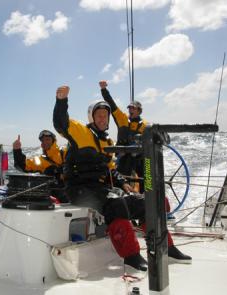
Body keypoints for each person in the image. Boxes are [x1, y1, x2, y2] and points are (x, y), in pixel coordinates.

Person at [53, 85, 190, 271]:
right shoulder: (80, 132)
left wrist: (124, 184)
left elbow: (111, 170)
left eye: (105, 116)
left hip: (100, 189)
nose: (103, 119)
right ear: (91, 117)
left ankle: (166, 248)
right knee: (116, 204)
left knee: (144, 202)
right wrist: (62, 100)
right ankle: (131, 255)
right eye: (99, 115)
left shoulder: (107, 142)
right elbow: (61, 123)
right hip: (79, 189)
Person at [99, 81, 147, 192]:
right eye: (129, 108)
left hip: (139, 158)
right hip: (123, 157)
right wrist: (104, 90)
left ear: (139, 111)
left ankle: (147, 197)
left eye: (133, 108)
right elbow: (111, 104)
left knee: (146, 175)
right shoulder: (122, 119)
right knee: (121, 178)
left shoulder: (145, 125)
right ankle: (123, 196)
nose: (130, 110)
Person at [13, 131, 67, 202]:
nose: (45, 142)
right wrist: (17, 150)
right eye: (43, 140)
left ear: (53, 140)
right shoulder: (40, 160)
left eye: (48, 139)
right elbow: (23, 166)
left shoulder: (65, 152)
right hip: (53, 195)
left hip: (70, 190)